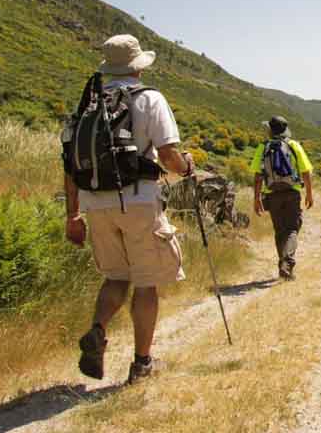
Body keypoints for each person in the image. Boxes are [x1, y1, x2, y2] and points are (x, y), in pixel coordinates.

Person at [63, 34, 195, 385]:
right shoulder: (149, 99)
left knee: (115, 277)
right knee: (147, 284)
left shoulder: (86, 106)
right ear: (138, 67)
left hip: (95, 203)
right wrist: (187, 167)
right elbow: (167, 156)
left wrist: (72, 215)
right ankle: (141, 363)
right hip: (137, 201)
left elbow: (69, 167)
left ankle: (97, 329)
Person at [252, 116, 314, 281]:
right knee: (292, 229)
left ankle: (283, 263)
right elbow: (306, 172)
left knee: (280, 230)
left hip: (272, 194)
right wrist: (309, 193)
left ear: (270, 130)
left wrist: (257, 198)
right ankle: (287, 263)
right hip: (292, 193)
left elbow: (258, 175)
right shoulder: (293, 145)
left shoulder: (263, 147)